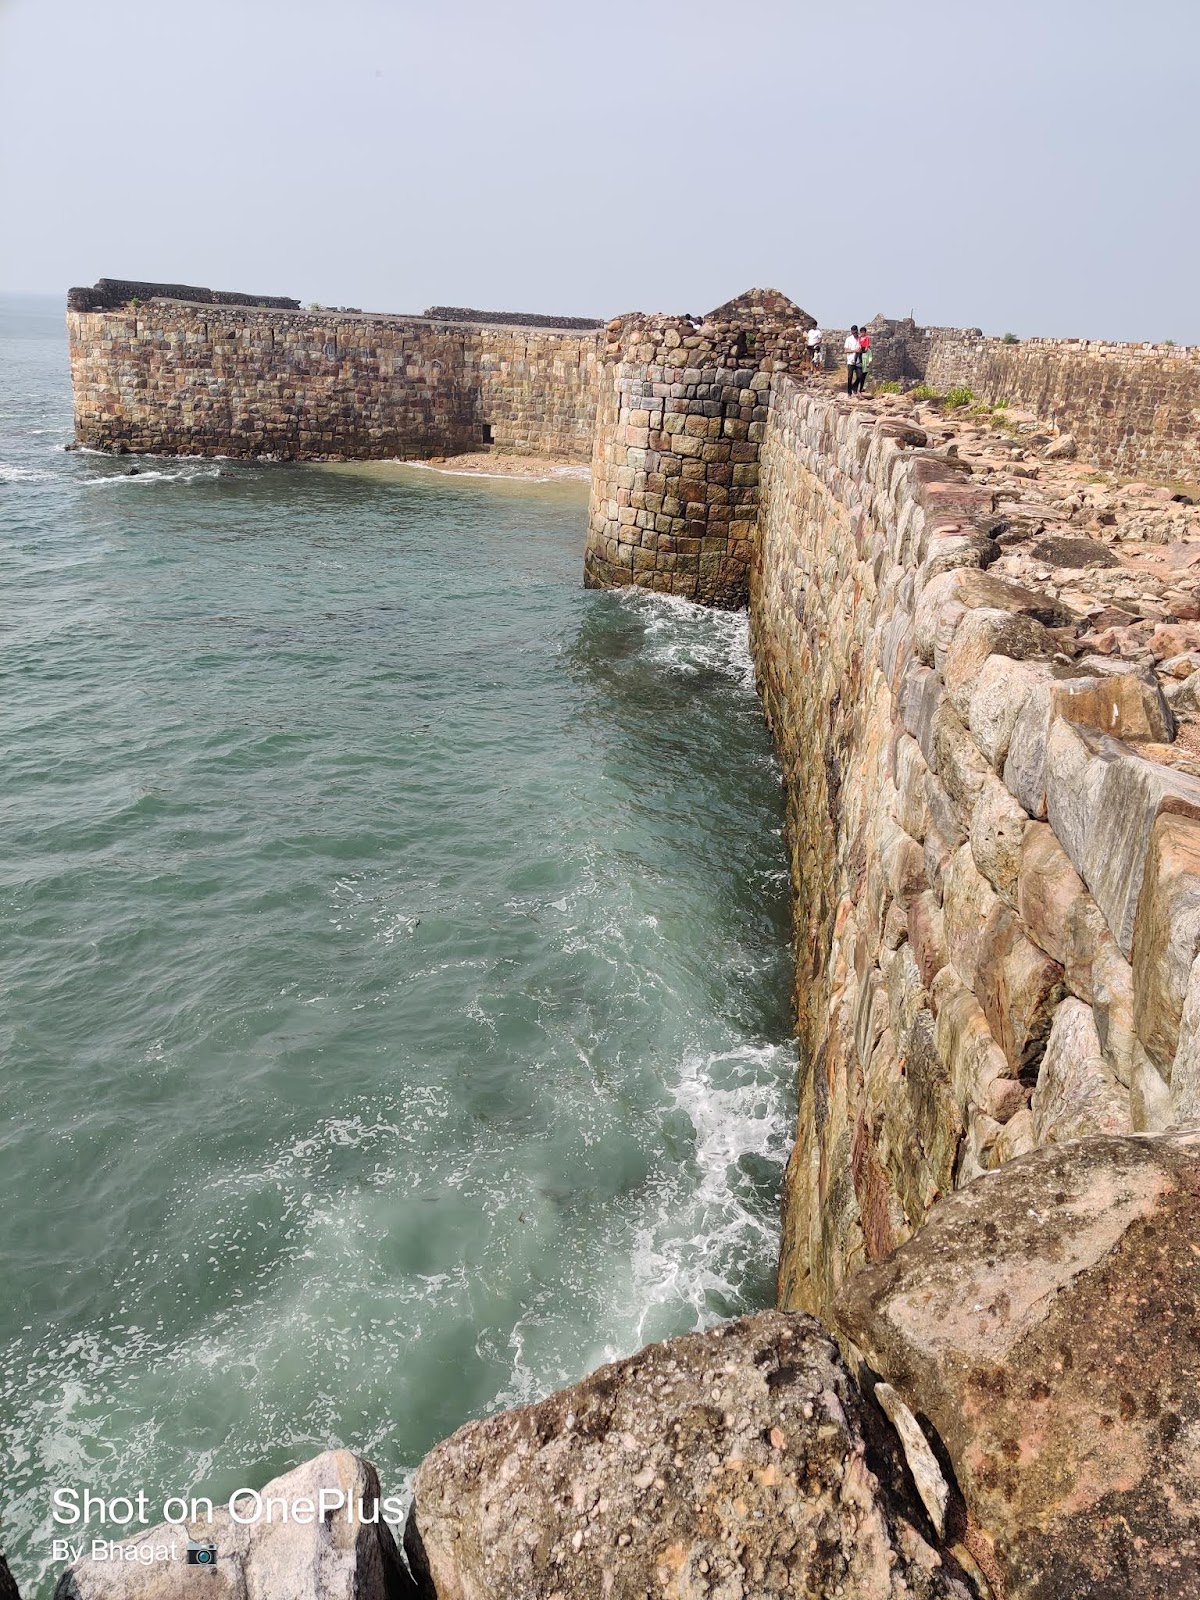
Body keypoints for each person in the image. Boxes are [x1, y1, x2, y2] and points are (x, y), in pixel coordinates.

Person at [845, 326, 862, 395]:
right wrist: (854, 351)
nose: (854, 334)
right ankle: (849, 392)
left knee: (860, 376)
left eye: (855, 333)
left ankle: (854, 387)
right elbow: (846, 350)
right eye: (853, 333)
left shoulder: (860, 339)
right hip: (851, 360)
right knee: (850, 377)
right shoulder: (848, 339)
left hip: (858, 360)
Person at [857, 324, 872, 391]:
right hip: (860, 351)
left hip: (864, 351)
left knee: (864, 374)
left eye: (863, 332)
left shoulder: (867, 337)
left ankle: (861, 387)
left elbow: (867, 344)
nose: (862, 333)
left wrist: (866, 348)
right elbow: (859, 344)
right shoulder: (860, 338)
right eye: (861, 332)